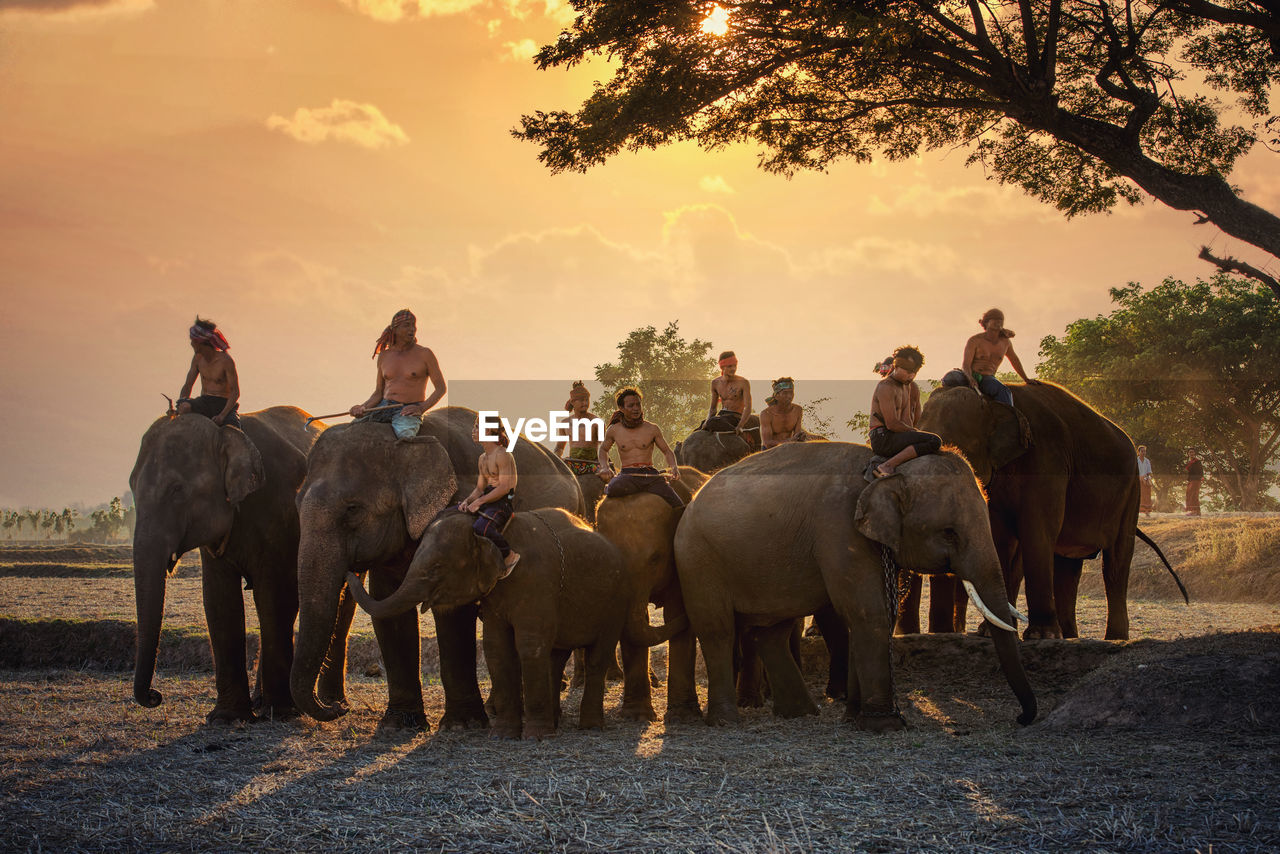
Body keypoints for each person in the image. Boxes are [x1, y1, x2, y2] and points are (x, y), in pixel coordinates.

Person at [349, 309, 446, 440]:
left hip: (406, 409)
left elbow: (441, 388)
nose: (412, 329)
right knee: (351, 430)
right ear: (395, 329)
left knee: (405, 436)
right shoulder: (384, 355)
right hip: (383, 405)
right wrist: (363, 407)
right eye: (407, 325)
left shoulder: (425, 354)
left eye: (413, 325)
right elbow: (378, 392)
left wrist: (421, 408)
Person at [597, 387, 684, 508]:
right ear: (621, 408)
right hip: (628, 475)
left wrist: (674, 467)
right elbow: (603, 449)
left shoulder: (652, 428)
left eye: (638, 404)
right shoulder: (614, 430)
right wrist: (604, 467)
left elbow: (667, 451)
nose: (636, 408)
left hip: (650, 475)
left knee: (678, 504)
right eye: (631, 405)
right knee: (612, 489)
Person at [869, 346, 942, 478]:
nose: (911, 376)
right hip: (882, 437)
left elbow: (907, 419)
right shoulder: (886, 386)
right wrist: (913, 433)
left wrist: (914, 434)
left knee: (927, 440)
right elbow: (892, 424)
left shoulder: (907, 386)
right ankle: (887, 465)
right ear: (896, 366)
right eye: (908, 371)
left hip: (895, 435)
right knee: (934, 440)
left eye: (914, 372)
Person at [459, 417, 520, 575]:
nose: (473, 430)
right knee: (450, 514)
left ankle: (509, 555)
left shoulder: (503, 455)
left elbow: (505, 487)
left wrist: (479, 502)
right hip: (487, 498)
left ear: (488, 431)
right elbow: (480, 488)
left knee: (481, 528)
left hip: (502, 502)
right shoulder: (482, 458)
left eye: (477, 427)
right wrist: (467, 502)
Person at [961, 308, 1036, 406]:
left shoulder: (1005, 343)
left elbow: (1015, 360)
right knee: (1003, 391)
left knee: (1004, 391)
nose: (998, 322)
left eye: (1001, 320)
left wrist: (1026, 379)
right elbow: (966, 364)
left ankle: (1006, 415)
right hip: (974, 375)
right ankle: (1008, 420)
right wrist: (970, 377)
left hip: (988, 378)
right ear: (986, 322)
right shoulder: (975, 340)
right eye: (995, 319)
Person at [176, 317, 242, 429]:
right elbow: (188, 385)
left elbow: (235, 392)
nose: (191, 344)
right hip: (205, 401)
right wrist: (181, 403)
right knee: (184, 408)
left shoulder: (225, 361)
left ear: (200, 342)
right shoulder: (197, 359)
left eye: (193, 341)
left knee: (234, 430)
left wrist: (222, 415)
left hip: (223, 403)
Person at [554, 381, 609, 480]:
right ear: (572, 402)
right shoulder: (564, 423)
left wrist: (606, 465)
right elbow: (560, 447)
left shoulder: (597, 422)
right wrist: (555, 458)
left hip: (592, 464)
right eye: (581, 400)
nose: (585, 403)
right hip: (572, 463)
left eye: (587, 400)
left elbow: (604, 447)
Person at [703, 351, 752, 435]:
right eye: (730, 366)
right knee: (701, 426)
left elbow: (748, 407)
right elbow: (713, 409)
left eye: (735, 366)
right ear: (722, 367)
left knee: (712, 422)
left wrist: (740, 426)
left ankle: (735, 433)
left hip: (736, 417)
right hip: (722, 416)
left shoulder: (743, 382)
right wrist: (706, 422)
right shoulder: (715, 383)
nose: (733, 369)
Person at [759, 377, 815, 449]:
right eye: (785, 393)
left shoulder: (798, 410)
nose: (789, 396)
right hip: (770, 451)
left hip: (789, 448)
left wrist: (800, 437)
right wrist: (790, 440)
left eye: (791, 392)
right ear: (776, 396)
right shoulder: (766, 414)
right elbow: (767, 443)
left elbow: (797, 435)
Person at [1185, 450, 1204, 516]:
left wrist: (1201, 477)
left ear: (1194, 453)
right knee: (1189, 494)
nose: (1191, 453)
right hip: (1191, 480)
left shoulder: (1197, 461)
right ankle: (1192, 510)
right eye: (1190, 452)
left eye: (1192, 452)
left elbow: (1201, 471)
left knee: (1194, 495)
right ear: (1188, 454)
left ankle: (1196, 511)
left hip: (1196, 480)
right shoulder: (1189, 462)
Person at [1137, 445, 1154, 515]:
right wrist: (1140, 477)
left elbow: (1149, 472)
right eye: (1142, 451)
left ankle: (1147, 511)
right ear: (1138, 452)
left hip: (1146, 480)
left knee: (1147, 495)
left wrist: (1145, 478)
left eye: (1145, 451)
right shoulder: (1136, 460)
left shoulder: (1147, 461)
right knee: (1139, 495)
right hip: (1138, 480)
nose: (1143, 453)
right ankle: (1138, 510)